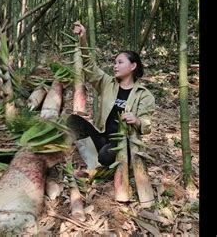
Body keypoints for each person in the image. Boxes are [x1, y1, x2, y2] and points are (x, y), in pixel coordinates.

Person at [66, 22, 156, 168]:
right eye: (114, 62)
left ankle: (101, 160)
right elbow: (89, 66)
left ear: (133, 66)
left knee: (106, 155)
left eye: (120, 62)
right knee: (73, 121)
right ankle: (95, 162)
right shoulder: (108, 83)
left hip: (122, 142)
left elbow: (147, 124)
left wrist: (137, 120)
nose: (115, 66)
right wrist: (83, 39)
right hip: (103, 137)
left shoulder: (144, 95)